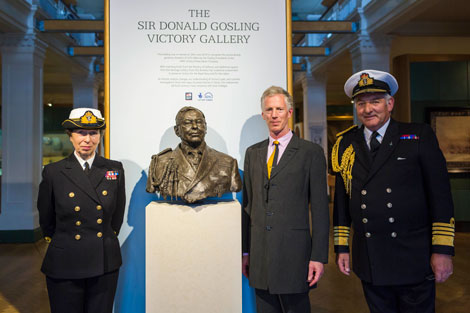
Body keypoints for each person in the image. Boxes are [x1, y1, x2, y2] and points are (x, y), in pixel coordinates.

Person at [332, 69, 455, 313]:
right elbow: (342, 202)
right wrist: (342, 247)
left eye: (375, 102)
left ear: (390, 103)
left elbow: (440, 197)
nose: (368, 110)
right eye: (361, 103)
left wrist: (442, 250)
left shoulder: (418, 136)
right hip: (370, 257)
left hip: (412, 256)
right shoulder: (346, 144)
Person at [242, 86, 329, 313]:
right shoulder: (253, 153)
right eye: (269, 109)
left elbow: (320, 209)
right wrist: (245, 251)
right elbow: (247, 206)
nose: (274, 114)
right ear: (263, 114)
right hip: (260, 256)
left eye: (279, 109)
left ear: (290, 112)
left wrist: (318, 257)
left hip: (295, 256)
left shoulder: (310, 153)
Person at [37, 108, 126, 313]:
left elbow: (117, 217)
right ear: (70, 136)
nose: (87, 139)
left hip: (104, 260)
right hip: (65, 260)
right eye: (81, 133)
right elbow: (46, 218)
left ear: (100, 136)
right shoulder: (54, 172)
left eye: (93, 133)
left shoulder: (114, 169)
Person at [146, 106, 242, 203]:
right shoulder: (160, 163)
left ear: (205, 128)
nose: (195, 126)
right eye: (187, 123)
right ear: (177, 131)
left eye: (199, 122)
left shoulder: (228, 163)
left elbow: (235, 186)